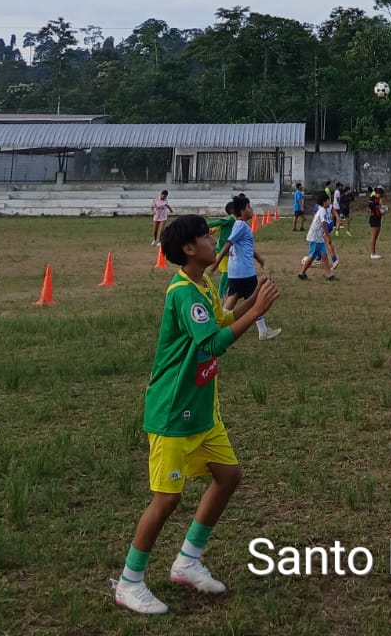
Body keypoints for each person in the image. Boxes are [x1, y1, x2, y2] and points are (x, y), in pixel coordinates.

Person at [112, 214, 280, 614]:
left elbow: (222, 320)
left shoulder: (203, 285)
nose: (213, 240)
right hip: (173, 413)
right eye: (206, 236)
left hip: (202, 410)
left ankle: (187, 561)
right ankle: (129, 582)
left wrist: (252, 303)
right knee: (166, 501)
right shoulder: (183, 294)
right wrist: (255, 313)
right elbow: (213, 343)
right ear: (189, 249)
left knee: (229, 476)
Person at [221, 194, 281, 341]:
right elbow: (228, 243)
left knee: (233, 296)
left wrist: (258, 257)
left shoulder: (239, 225)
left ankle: (218, 323)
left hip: (235, 271)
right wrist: (217, 261)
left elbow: (245, 246)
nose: (251, 209)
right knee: (255, 299)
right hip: (245, 271)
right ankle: (263, 331)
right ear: (242, 211)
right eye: (248, 207)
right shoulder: (241, 226)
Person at [296, 192, 337, 281]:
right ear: (324, 202)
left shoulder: (323, 210)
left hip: (319, 237)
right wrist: (327, 235)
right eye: (328, 200)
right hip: (314, 237)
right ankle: (301, 273)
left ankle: (328, 275)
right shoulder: (322, 210)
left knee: (324, 255)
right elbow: (323, 224)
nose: (329, 202)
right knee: (312, 256)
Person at [367, 187, 385, 260]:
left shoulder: (378, 199)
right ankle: (372, 253)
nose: (381, 196)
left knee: (376, 236)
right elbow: (370, 206)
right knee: (373, 236)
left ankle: (374, 252)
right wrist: (378, 206)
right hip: (374, 218)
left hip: (378, 218)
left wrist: (383, 209)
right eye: (380, 194)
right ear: (377, 193)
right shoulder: (372, 199)